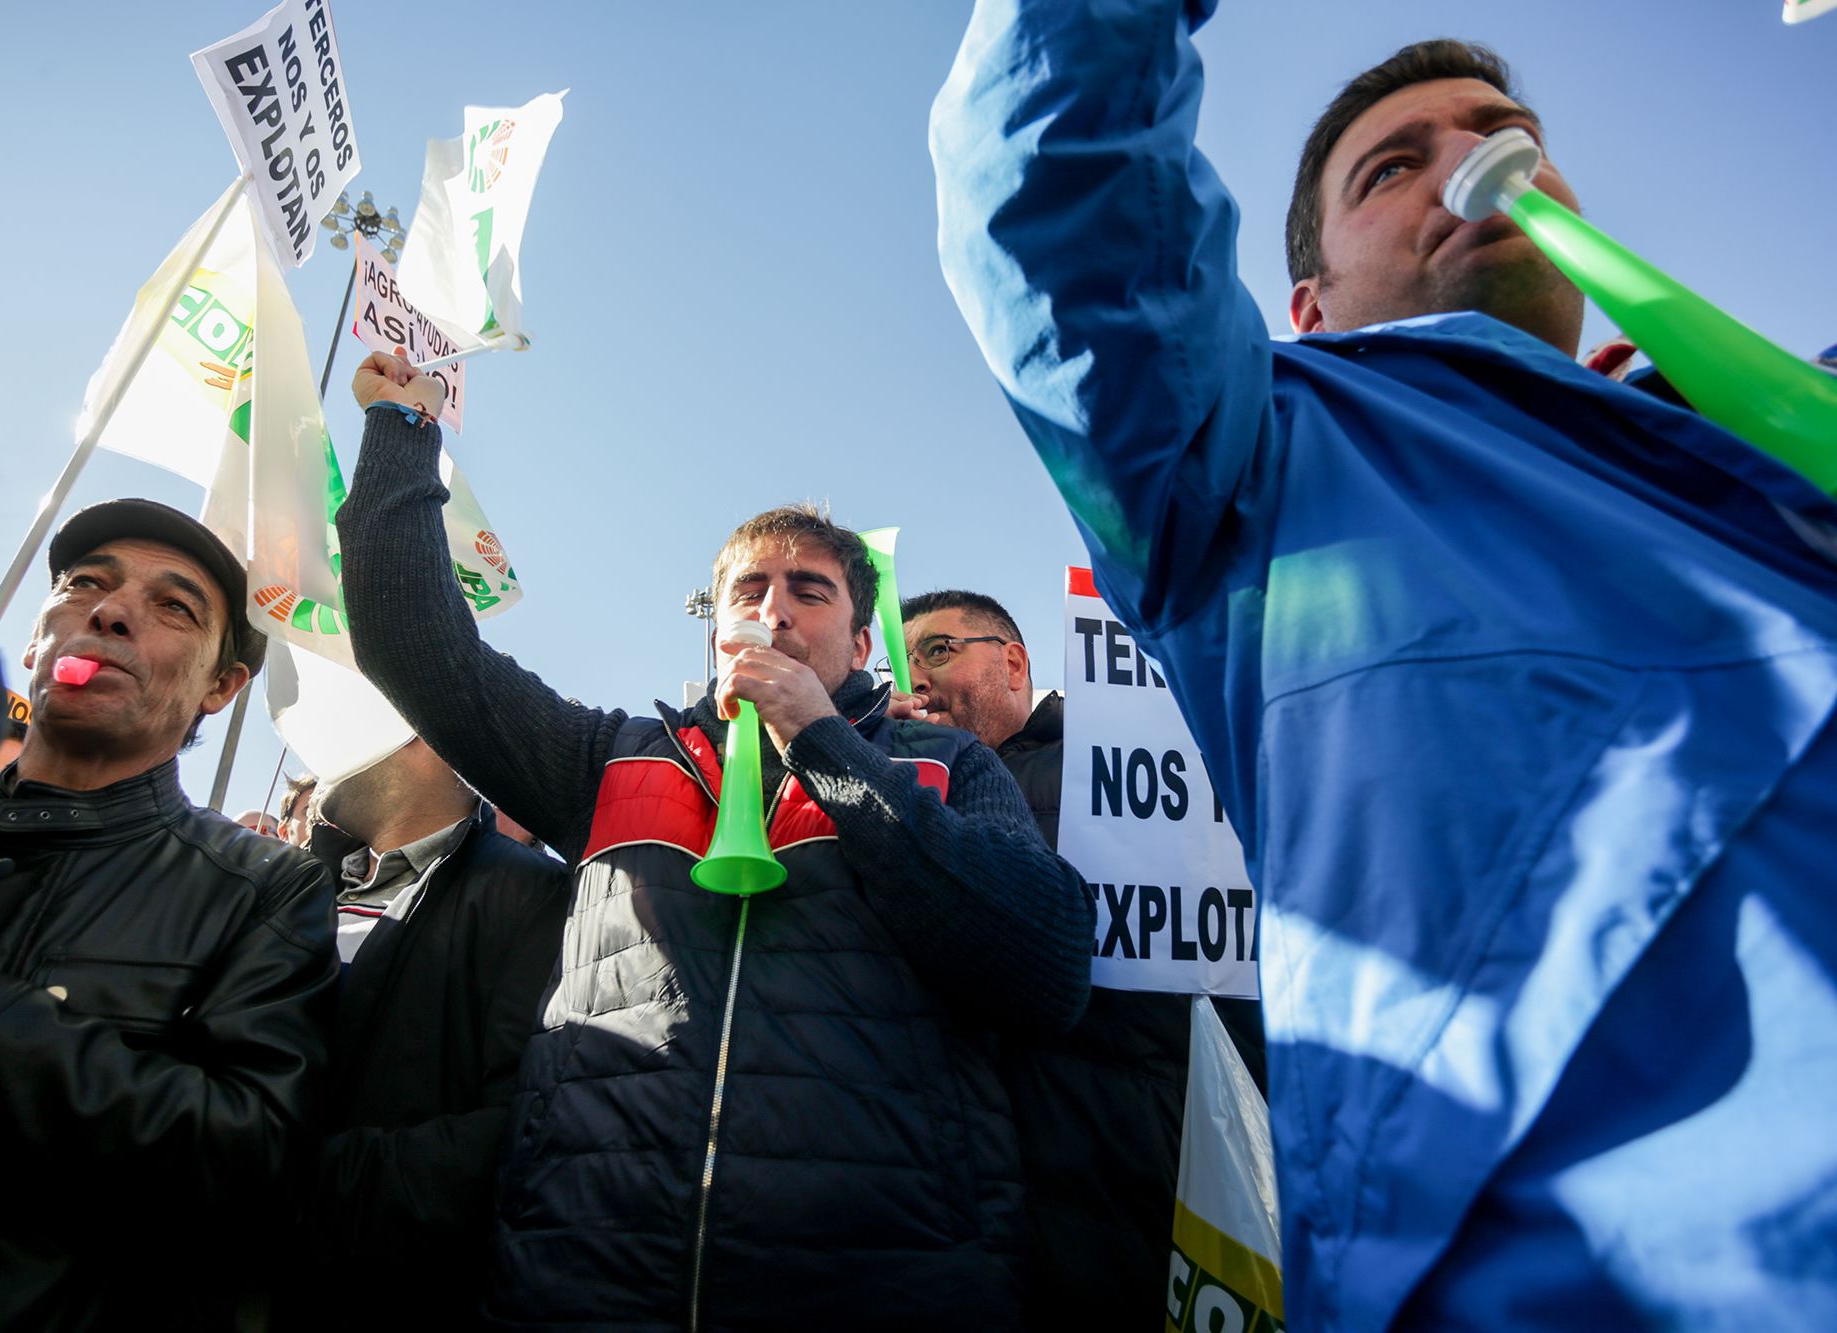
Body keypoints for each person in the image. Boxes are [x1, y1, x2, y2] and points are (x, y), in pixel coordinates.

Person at [932, 10, 1837, 1330]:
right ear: (1309, 305)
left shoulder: (1773, 431)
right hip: (1580, 1239)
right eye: (1390, 167)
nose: (1474, 164)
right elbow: (1056, 177)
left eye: (1505, 138)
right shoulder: (1253, 467)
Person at [335, 353, 1093, 1329]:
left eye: (808, 591)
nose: (772, 610)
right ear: (714, 629)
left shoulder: (940, 767)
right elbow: (418, 647)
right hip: (588, 1282)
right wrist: (402, 427)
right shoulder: (605, 759)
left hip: (884, 1287)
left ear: (861, 645)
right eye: (748, 591)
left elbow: (1045, 962)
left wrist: (823, 744)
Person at [0, 496, 340, 1331]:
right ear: (35, 640)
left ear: (222, 685)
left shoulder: (264, 889)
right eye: (83, 584)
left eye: (173, 606)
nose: (108, 611)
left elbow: (250, 1162)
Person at [904, 588, 1263, 1328]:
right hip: (994, 1192)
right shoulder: (913, 789)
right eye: (904, 662)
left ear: (1012, 660)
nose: (918, 677)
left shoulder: (1133, 769)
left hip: (1138, 1168)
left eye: (938, 650)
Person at [277, 737, 568, 1332]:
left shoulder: (532, 894)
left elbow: (518, 1128)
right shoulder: (285, 890)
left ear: (425, 740)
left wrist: (287, 1182)